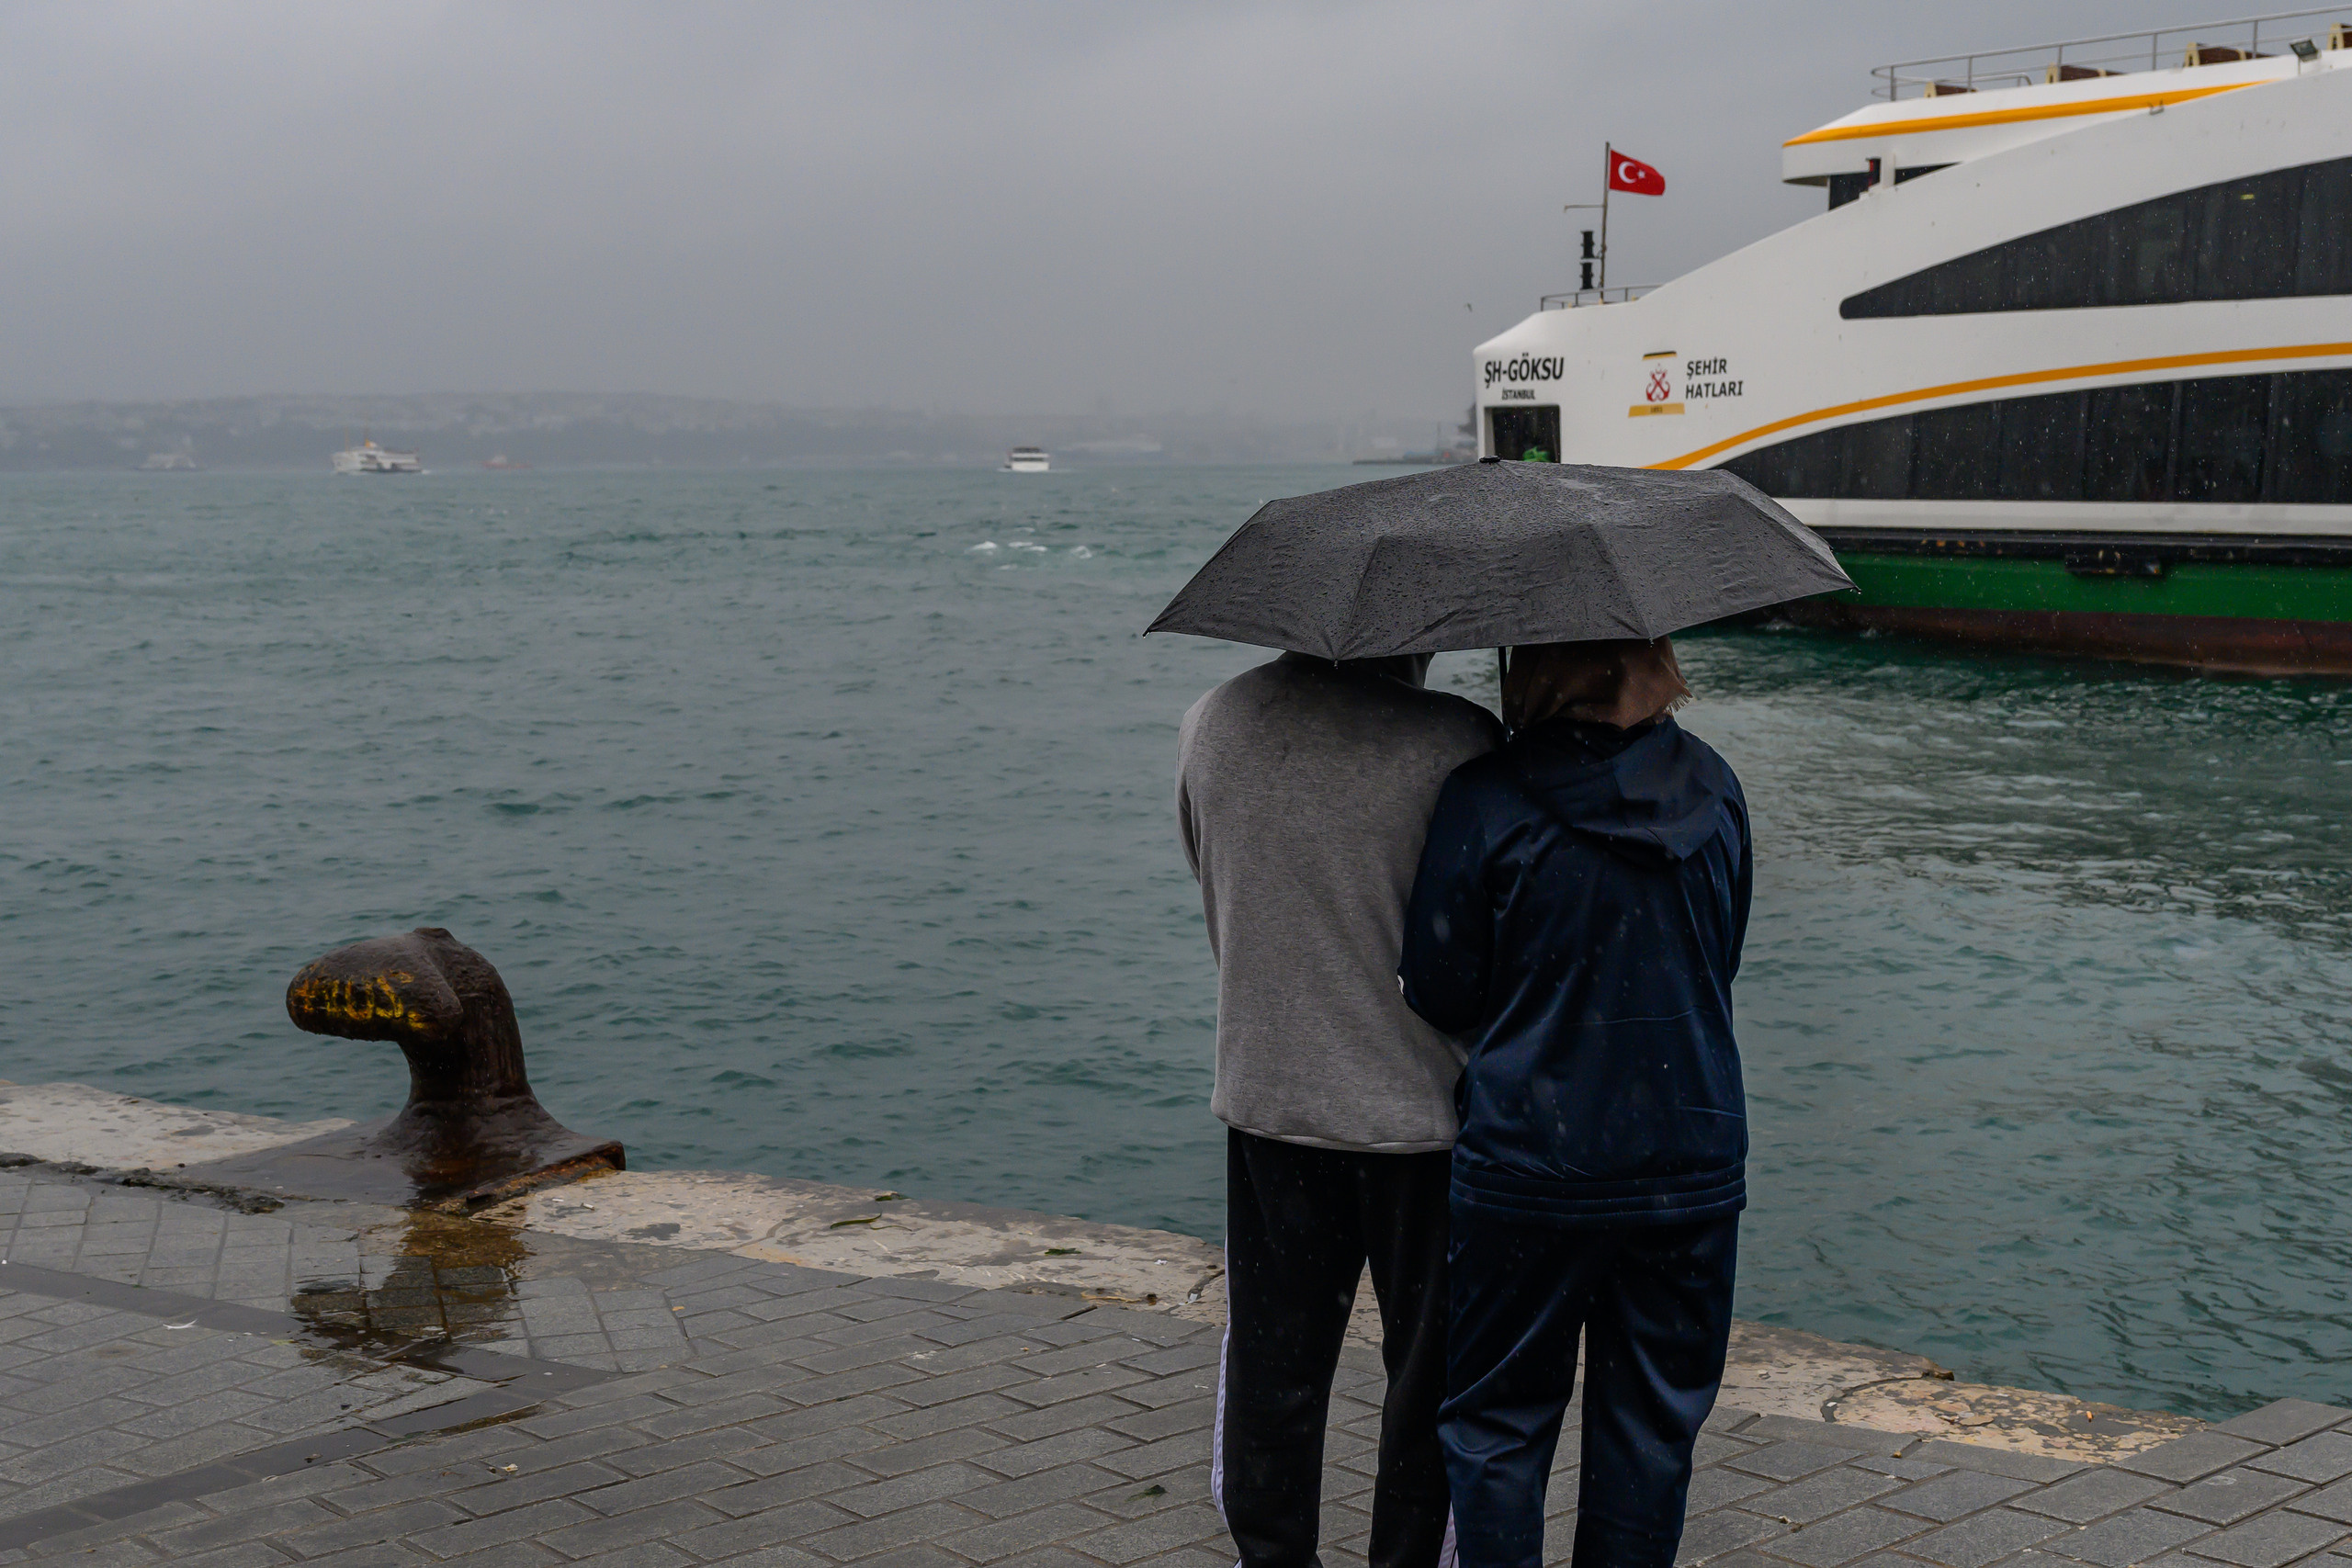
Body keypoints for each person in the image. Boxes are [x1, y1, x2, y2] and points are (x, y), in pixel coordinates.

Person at [1398, 637, 1750, 1568]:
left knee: (1498, 1428)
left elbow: (1440, 986)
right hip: (1689, 1154)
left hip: (1532, 1159)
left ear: (1537, 669)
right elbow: (1722, 957)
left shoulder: (1488, 798)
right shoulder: (1714, 788)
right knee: (1651, 1430)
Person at [1177, 649, 1504, 1568]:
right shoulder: (1455, 743)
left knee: (1272, 1372)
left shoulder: (1215, 719)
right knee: (1429, 1383)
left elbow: (1215, 882)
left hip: (1268, 1096)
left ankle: (1271, 1557)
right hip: (1422, 1118)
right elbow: (1479, 932)